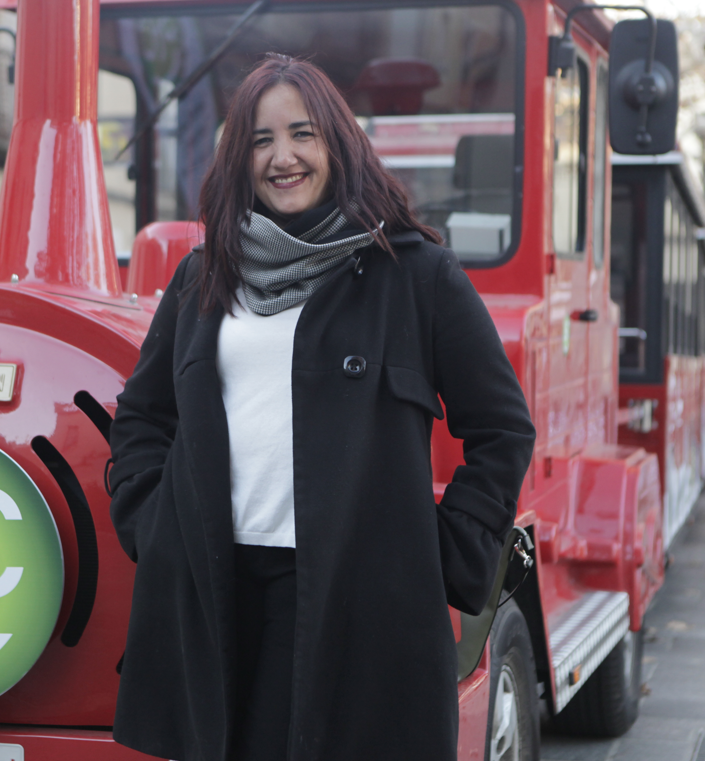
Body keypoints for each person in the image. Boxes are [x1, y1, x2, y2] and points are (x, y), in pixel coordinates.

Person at [108, 54, 535, 761]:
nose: (283, 157)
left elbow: (499, 426)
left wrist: (442, 552)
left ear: (336, 143)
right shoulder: (202, 275)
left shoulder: (414, 273)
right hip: (215, 590)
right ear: (238, 158)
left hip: (359, 599)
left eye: (301, 134)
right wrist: (155, 524)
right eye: (259, 139)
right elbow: (143, 417)